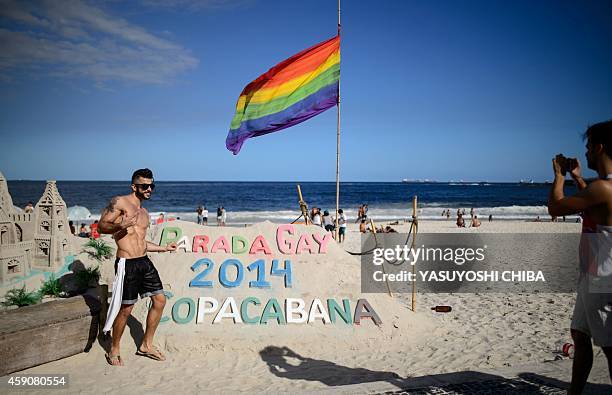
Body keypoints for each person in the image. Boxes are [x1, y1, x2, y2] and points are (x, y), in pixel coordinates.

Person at [547, 120, 612, 394]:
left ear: (599, 147)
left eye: (587, 148)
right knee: (580, 335)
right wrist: (577, 177)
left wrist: (559, 175)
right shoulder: (601, 187)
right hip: (592, 275)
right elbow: (593, 200)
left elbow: (555, 208)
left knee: (610, 348)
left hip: (603, 278)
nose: (584, 153)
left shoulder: (604, 189)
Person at [98, 168, 177, 367]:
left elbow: (142, 242)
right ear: (134, 186)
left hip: (144, 261)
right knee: (126, 309)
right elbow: (101, 227)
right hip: (127, 264)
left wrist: (164, 248)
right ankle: (114, 349)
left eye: (151, 185)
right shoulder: (120, 202)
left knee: (159, 300)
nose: (149, 189)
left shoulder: (144, 212)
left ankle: (146, 345)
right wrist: (121, 225)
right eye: (144, 186)